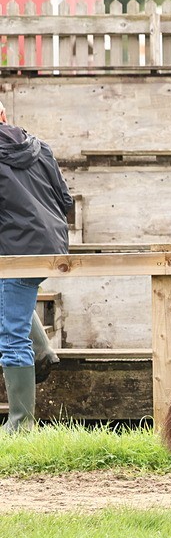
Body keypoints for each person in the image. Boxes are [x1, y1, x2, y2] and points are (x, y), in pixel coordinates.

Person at [0, 111, 73, 433]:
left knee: (11, 336)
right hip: (51, 245)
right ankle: (42, 351)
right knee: (11, 306)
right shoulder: (39, 146)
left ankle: (20, 427)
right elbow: (66, 199)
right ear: (3, 115)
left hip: (15, 252)